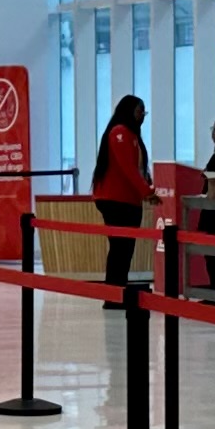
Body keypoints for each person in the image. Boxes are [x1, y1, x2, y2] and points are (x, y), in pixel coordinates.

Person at [90, 90, 151, 288]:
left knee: (125, 247)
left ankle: (118, 289)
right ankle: (114, 293)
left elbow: (139, 168)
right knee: (120, 247)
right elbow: (128, 168)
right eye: (140, 111)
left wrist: (146, 187)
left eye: (144, 112)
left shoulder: (132, 134)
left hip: (129, 199)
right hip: (117, 199)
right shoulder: (120, 133)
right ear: (129, 111)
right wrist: (147, 191)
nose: (143, 115)